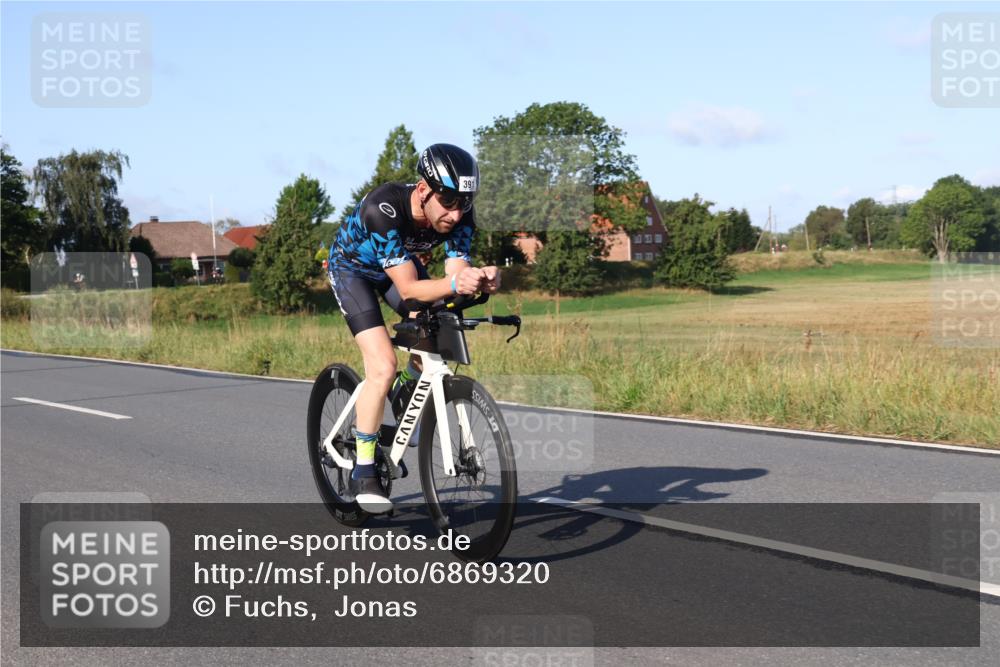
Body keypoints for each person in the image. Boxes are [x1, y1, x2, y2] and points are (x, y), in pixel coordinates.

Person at [327, 143, 501, 513]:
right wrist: (455, 285)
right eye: (449, 201)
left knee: (437, 324)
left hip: (395, 269)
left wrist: (478, 279)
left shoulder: (461, 216)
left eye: (464, 203)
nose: (456, 214)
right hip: (353, 270)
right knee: (382, 365)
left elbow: (453, 280)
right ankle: (363, 467)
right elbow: (408, 289)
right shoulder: (383, 207)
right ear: (423, 190)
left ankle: (406, 389)